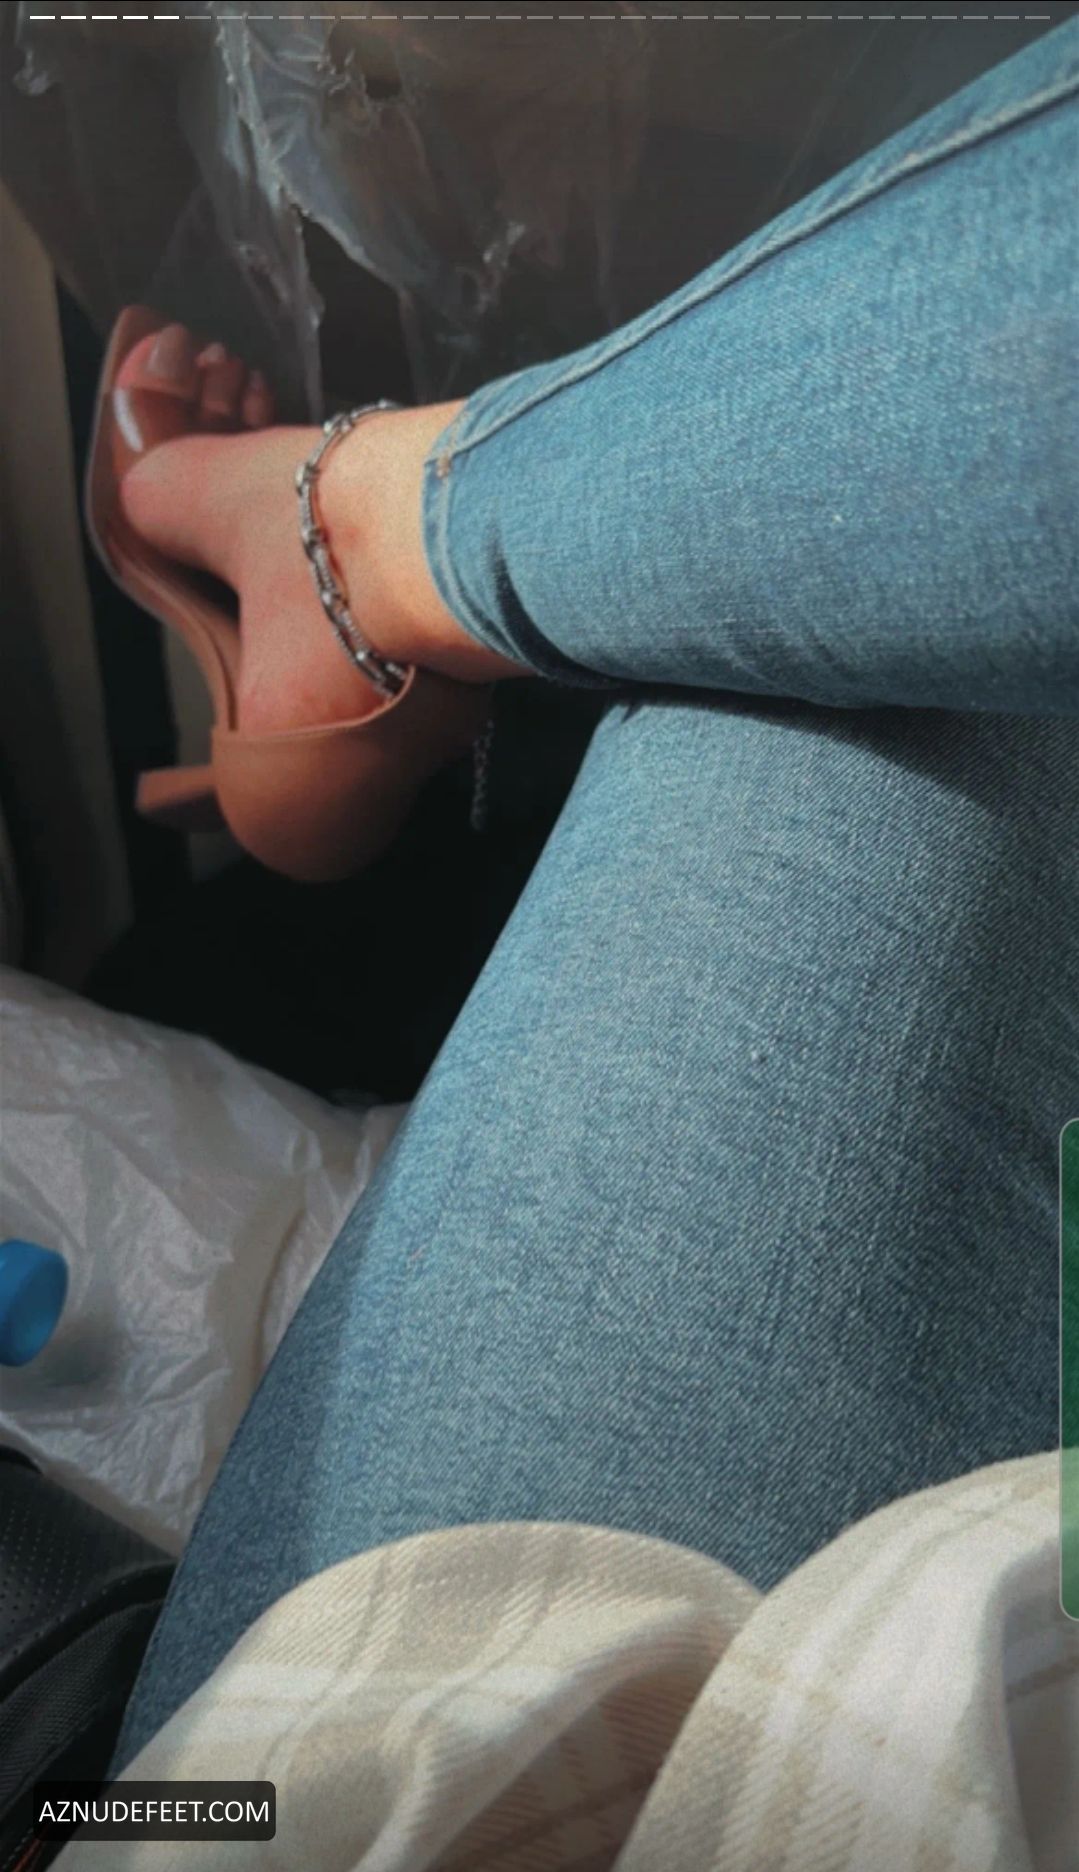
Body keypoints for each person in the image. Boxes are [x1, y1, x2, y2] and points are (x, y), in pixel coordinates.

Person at [103, 16, 1076, 1796]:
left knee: (899, 652)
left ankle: (371, 572)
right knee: (906, 649)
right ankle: (365, 553)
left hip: (320, 1791)